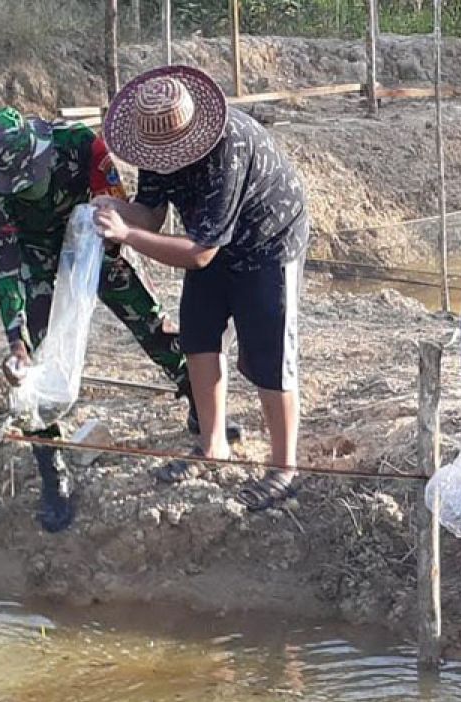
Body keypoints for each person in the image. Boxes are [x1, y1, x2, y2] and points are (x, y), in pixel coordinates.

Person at [0, 106, 228, 533]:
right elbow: (7, 267)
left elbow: (119, 202)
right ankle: (52, 468)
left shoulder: (79, 143)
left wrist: (105, 239)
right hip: (38, 258)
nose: (26, 189)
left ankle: (198, 404)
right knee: (38, 360)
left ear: (41, 154)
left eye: (31, 180)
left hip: (94, 239)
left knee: (148, 318)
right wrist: (14, 341)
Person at [94, 65, 308, 511]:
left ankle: (284, 468)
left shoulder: (230, 146)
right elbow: (151, 214)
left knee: (268, 350)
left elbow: (199, 254)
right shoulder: (153, 146)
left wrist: (127, 235)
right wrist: (111, 209)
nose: (162, 160)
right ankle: (213, 446)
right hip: (210, 239)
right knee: (198, 333)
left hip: (268, 242)